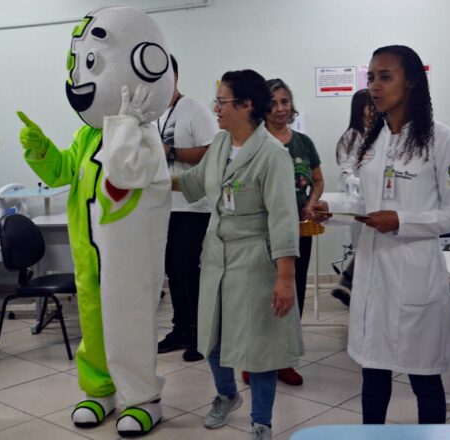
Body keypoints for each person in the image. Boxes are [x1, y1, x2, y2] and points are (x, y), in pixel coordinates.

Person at [17, 7, 174, 436]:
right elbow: (63, 172)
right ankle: (99, 389)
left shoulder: (143, 135)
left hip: (128, 258)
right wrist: (40, 149)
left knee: (130, 325)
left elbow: (125, 172)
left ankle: (142, 397)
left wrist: (126, 120)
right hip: (89, 251)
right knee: (94, 322)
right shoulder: (87, 135)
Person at [315, 45, 450, 425]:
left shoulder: (442, 140)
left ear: (412, 83)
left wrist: (401, 220)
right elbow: (364, 204)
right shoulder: (373, 141)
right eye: (371, 77)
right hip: (372, 273)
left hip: (415, 272)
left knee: (424, 378)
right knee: (372, 372)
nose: (375, 86)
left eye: (385, 77)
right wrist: (330, 211)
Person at [174, 69, 303, 440]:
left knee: (259, 349)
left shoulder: (272, 155)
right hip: (216, 257)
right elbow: (193, 183)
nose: (216, 108)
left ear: (246, 105)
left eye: (223, 101)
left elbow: (283, 219)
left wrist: (284, 279)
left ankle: (261, 421)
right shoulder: (219, 145)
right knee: (212, 338)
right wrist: (146, 179)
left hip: (255, 263)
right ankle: (226, 396)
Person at [243, 77, 323, 387]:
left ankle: (284, 359)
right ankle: (255, 361)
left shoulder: (303, 143)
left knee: (295, 295)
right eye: (273, 103)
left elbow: (317, 180)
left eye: (285, 102)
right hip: (264, 234)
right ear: (263, 107)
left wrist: (312, 204)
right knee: (264, 296)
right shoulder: (255, 142)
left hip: (300, 232)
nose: (280, 108)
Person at [156, 55, 219, 362]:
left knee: (186, 268)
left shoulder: (195, 110)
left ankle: (199, 333)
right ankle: (180, 328)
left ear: (175, 77)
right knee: (171, 270)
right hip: (161, 206)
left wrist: (170, 150)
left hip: (193, 205)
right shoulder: (152, 115)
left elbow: (211, 154)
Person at [330, 89, 376, 307]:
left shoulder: (379, 132)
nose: (373, 109)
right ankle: (350, 287)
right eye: (370, 105)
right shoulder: (352, 135)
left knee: (371, 246)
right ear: (360, 109)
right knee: (366, 246)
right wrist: (356, 182)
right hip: (359, 200)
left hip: (374, 198)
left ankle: (348, 285)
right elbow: (346, 167)